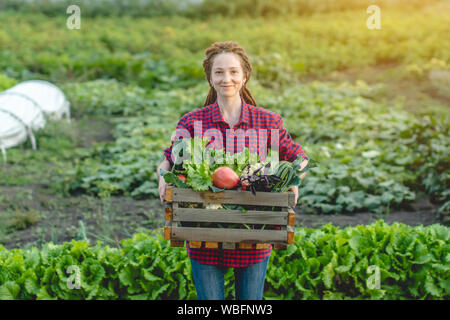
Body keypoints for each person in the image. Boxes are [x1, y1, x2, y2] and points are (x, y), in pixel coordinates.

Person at [156, 41, 308, 300]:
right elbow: (169, 159)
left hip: (254, 234)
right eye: (219, 72)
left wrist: (294, 179)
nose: (227, 78)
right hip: (203, 234)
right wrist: (162, 176)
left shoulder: (267, 120)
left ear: (245, 75)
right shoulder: (193, 121)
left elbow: (299, 157)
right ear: (210, 78)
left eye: (233, 71)